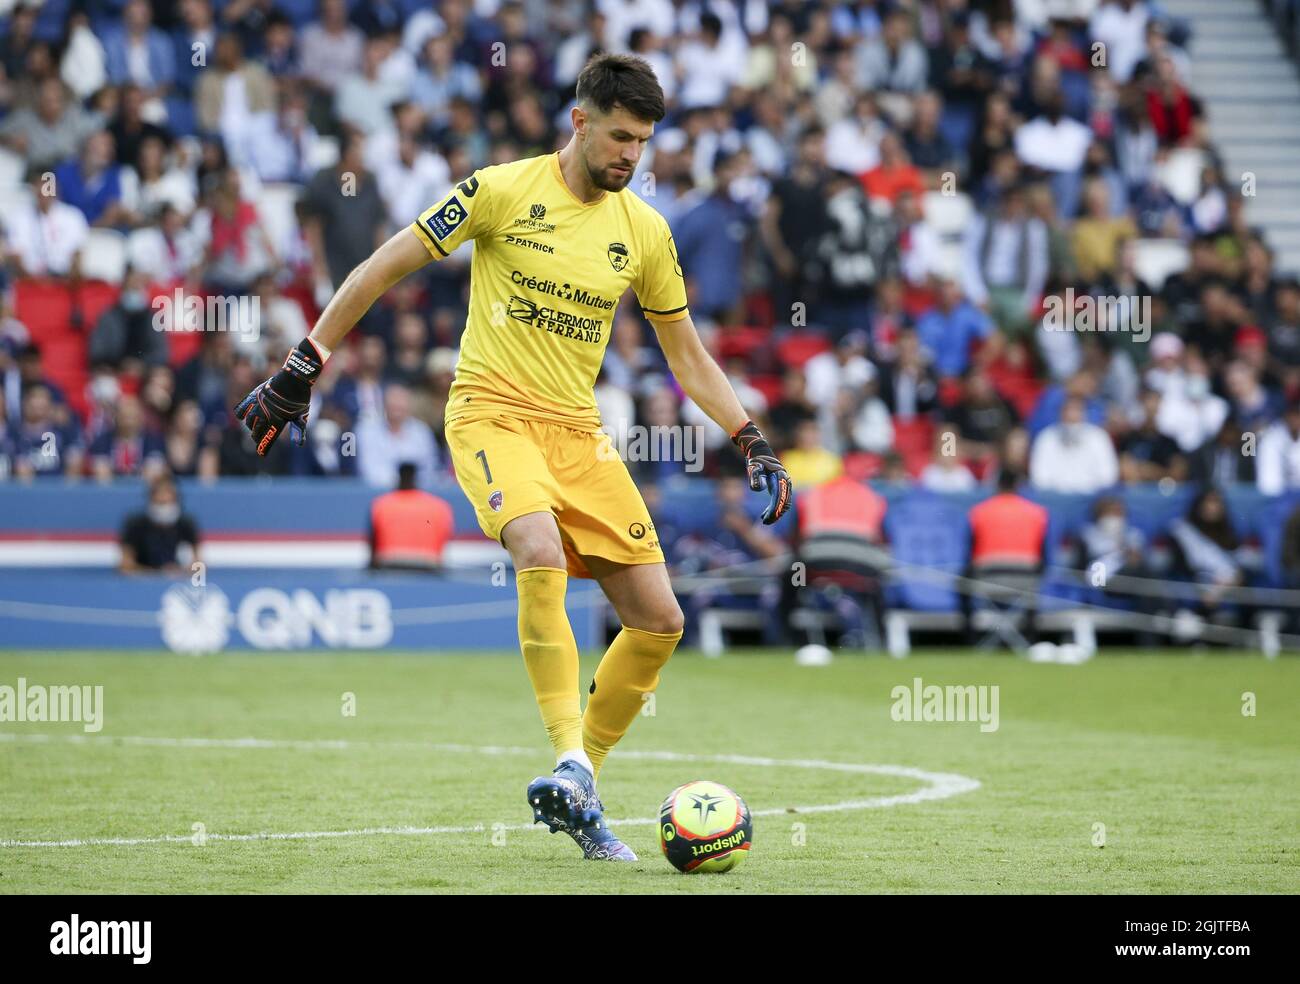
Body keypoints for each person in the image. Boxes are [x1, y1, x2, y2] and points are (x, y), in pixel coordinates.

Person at [233, 54, 793, 863]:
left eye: (644, 143)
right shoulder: (499, 190)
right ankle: (570, 753)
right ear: (580, 120)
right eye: (621, 136)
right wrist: (306, 360)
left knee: (660, 619)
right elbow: (381, 265)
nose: (632, 156)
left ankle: (579, 781)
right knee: (537, 550)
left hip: (578, 431)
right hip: (491, 413)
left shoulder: (644, 230)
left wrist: (750, 436)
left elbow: (688, 355)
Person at [369, 462, 454, 570]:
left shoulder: (381, 505)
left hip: (389, 565)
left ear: (398, 477)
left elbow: (373, 548)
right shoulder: (439, 506)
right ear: (416, 478)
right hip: (428, 566)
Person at [119, 475, 200, 573]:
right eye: (160, 503)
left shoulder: (186, 524)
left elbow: (198, 564)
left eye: (168, 502)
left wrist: (179, 572)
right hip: (143, 581)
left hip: (177, 582)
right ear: (151, 499)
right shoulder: (136, 524)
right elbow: (125, 565)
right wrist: (156, 574)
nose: (164, 507)